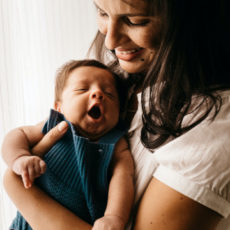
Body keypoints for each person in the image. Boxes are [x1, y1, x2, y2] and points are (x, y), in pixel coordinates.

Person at [2, 0, 230, 229]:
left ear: (192, 23)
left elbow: (122, 175)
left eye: (135, 21)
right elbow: (21, 134)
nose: (109, 41)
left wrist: (17, 188)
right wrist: (19, 157)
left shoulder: (214, 128)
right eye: (102, 12)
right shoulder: (120, 78)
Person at [2, 59, 134, 230]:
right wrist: (20, 158)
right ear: (59, 107)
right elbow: (17, 135)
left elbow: (123, 177)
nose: (98, 94)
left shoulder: (115, 142)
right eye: (82, 89)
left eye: (109, 94)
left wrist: (114, 217)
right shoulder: (55, 126)